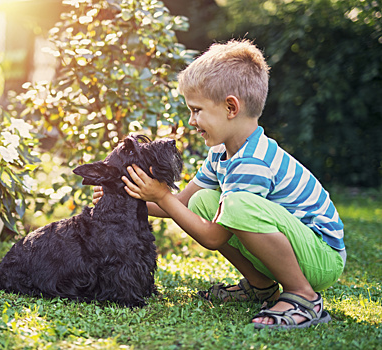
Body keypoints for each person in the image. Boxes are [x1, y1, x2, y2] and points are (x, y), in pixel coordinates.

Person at [92, 39, 345, 329]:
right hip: (298, 249)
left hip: (321, 259)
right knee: (203, 201)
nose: (191, 121)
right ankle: (260, 286)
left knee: (234, 205)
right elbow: (184, 202)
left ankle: (303, 296)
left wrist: (161, 195)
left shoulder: (253, 161)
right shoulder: (220, 153)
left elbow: (212, 237)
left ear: (230, 107)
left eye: (196, 110)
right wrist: (132, 195)